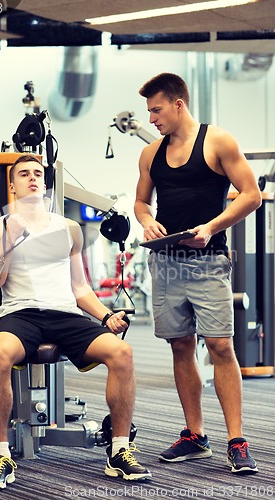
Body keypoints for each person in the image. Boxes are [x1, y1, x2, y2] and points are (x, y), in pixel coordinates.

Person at [0, 154, 151, 489]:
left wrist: (105, 315)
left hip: (65, 313)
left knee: (122, 354)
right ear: (12, 185)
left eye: (38, 174)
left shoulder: (68, 228)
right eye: (24, 174)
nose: (32, 178)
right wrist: (11, 242)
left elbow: (79, 287)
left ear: (45, 183)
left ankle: (119, 451)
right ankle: (1, 455)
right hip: (19, 314)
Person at [134, 73, 261, 474]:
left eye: (156, 110)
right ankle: (195, 435)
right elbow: (140, 201)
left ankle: (236, 440)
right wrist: (146, 220)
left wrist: (211, 227)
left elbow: (252, 196)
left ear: (178, 104)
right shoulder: (151, 153)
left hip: (209, 263)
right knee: (179, 346)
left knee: (221, 347)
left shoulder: (217, 141)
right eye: (149, 111)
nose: (151, 118)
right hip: (165, 263)